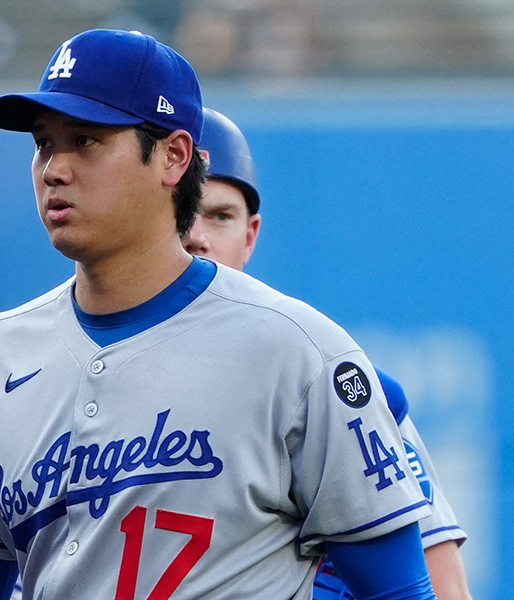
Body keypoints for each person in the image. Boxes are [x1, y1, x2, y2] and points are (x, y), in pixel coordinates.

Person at [0, 29, 437, 600]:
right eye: (42, 144)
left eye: (85, 140)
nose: (54, 169)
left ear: (174, 157)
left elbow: (402, 591)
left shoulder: (297, 352)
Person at [184, 107, 473, 600]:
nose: (198, 236)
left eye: (220, 216)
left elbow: (443, 588)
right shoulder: (65, 376)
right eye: (182, 213)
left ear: (250, 235)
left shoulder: (340, 385)